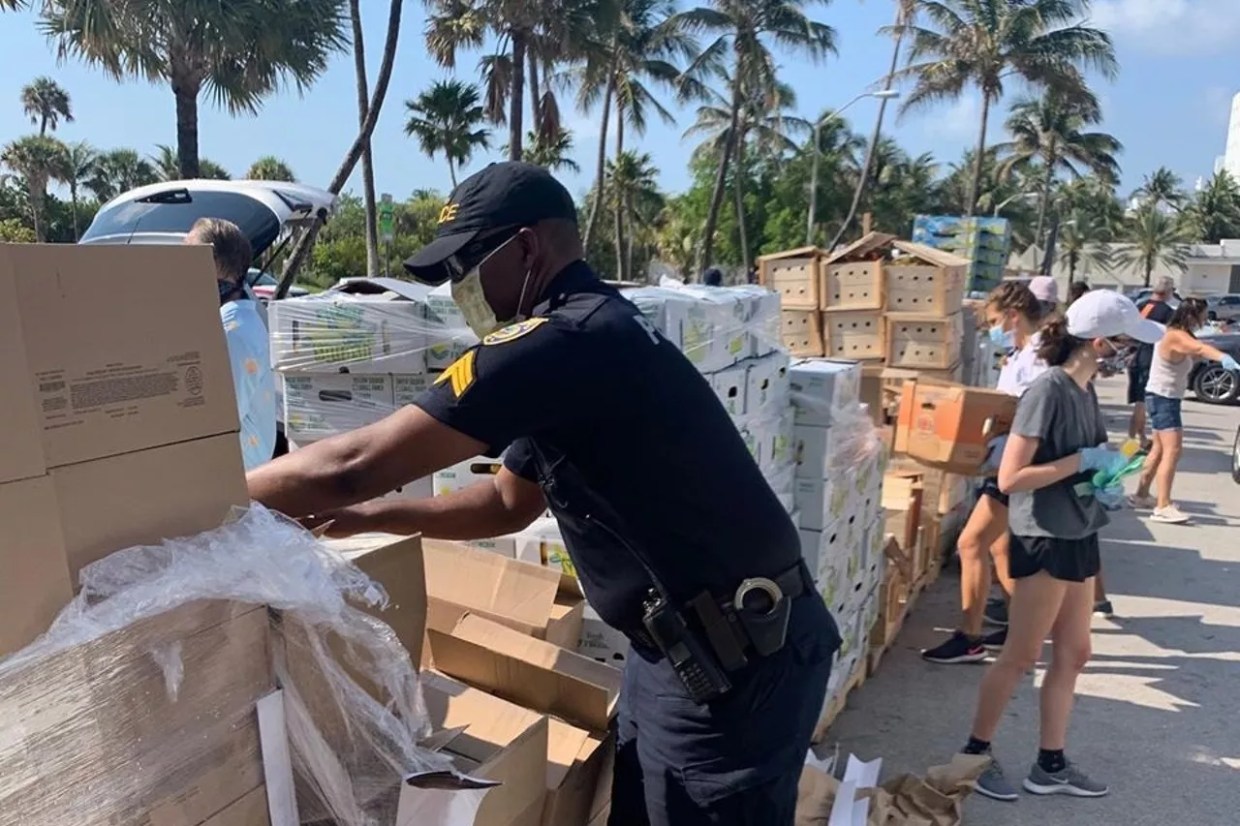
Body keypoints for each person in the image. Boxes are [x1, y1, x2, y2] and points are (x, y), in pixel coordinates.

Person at [245, 162, 840, 826]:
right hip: (680, 655)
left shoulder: (561, 343)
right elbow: (507, 503)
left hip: (734, 665)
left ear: (528, 247)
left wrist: (202, 500)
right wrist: (366, 517)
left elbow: (353, 461)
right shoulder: (587, 339)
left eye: (467, 266)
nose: (459, 291)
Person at [962, 289, 1163, 802]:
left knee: (1074, 653)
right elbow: (1011, 477)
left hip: (1078, 532)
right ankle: (972, 757)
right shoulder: (1049, 390)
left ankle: (1050, 764)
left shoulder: (1085, 388)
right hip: (1045, 537)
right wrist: (1083, 463)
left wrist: (1111, 473)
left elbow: (1088, 458)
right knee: (1021, 655)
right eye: (1126, 344)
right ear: (1099, 342)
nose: (1131, 354)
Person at [922, 282, 1048, 664]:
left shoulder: (1038, 359)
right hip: (1008, 462)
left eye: (995, 321)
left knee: (971, 544)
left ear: (1013, 316)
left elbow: (1031, 417)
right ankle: (1019, 629)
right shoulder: (1024, 353)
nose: (993, 329)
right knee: (998, 545)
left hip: (1016, 466)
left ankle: (970, 637)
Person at [1130, 298, 1240, 524]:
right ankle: (1163, 506)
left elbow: (1197, 348)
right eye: (1203, 315)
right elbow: (1199, 348)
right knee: (1173, 451)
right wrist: (1223, 358)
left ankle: (1141, 495)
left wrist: (1215, 352)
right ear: (1193, 315)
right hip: (1164, 399)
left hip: (1163, 396)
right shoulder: (1176, 336)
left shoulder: (1178, 334)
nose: (1205, 320)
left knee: (1159, 450)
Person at [185, 218, 276, 472]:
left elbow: (221, 420)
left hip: (237, 476)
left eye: (187, 260)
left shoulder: (233, 330)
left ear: (212, 265)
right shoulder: (234, 319)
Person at [1127, 276, 1177, 450]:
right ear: (1168, 291)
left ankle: (1140, 439)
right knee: (1141, 404)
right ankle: (1130, 445)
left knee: (1138, 402)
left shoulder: (1142, 307)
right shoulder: (1167, 312)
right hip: (1149, 359)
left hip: (1134, 357)